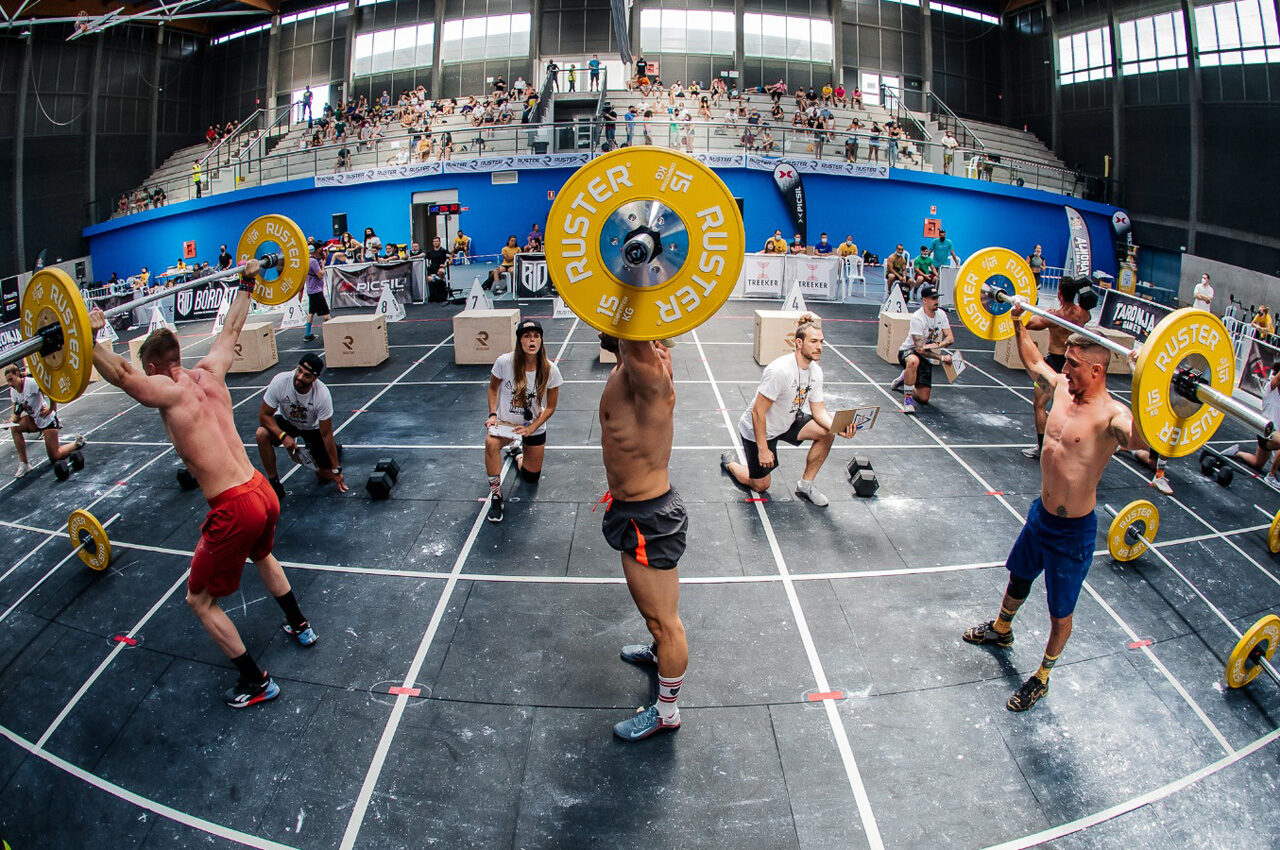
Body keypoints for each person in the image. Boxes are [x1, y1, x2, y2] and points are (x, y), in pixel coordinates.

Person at [88, 261, 317, 709]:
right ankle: (299, 624)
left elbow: (120, 375)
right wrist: (247, 281)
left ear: (154, 365)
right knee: (262, 553)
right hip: (261, 490)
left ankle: (256, 682)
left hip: (233, 505)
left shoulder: (168, 391)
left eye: (148, 369)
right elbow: (232, 328)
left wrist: (95, 334)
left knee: (199, 601)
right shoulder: (211, 373)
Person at [964, 307, 1145, 712]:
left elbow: (1142, 440)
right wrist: (1013, 322)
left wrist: (1148, 380)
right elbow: (1032, 360)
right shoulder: (1063, 387)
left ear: (1098, 372)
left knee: (1060, 611)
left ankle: (1043, 675)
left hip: (1072, 533)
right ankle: (1001, 628)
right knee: (1019, 574)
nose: (1066, 369)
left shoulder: (1113, 416)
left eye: (1075, 365)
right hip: (1039, 516)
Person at [598, 332, 687, 741]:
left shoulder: (648, 370)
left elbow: (632, 321)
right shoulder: (625, 365)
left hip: (648, 521)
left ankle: (667, 711)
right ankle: (656, 652)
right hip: (630, 509)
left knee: (665, 622)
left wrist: (633, 272)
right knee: (655, 620)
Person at [721, 315, 853, 504]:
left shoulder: (816, 371)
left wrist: (837, 428)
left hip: (788, 420)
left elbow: (819, 411)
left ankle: (805, 486)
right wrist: (763, 449)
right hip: (759, 429)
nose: (819, 347)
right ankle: (731, 464)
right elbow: (757, 412)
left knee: (826, 433)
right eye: (814, 341)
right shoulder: (780, 370)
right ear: (799, 343)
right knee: (760, 485)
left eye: (821, 342)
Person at [484, 320, 563, 523]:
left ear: (541, 340)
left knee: (530, 477)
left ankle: (517, 454)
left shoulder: (550, 369)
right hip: (506, 425)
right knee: (491, 443)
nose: (532, 340)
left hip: (532, 427)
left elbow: (551, 407)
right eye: (527, 336)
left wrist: (532, 428)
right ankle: (496, 495)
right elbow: (493, 388)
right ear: (520, 340)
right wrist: (492, 415)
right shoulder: (504, 362)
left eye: (536, 336)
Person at [1021, 278, 1093, 460]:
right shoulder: (1084, 315)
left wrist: (1019, 307)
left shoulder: (1053, 316)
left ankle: (1041, 447)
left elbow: (1027, 324)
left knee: (1040, 405)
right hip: (1074, 366)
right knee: (1072, 407)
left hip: (1053, 363)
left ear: (1059, 293)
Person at [255, 354, 345, 500]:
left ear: (315, 379)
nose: (300, 377)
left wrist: (336, 468)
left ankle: (334, 449)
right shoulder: (280, 381)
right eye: (299, 371)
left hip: (312, 428)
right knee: (261, 434)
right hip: (287, 422)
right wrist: (283, 436)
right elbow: (264, 415)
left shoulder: (322, 395)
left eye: (307, 375)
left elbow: (326, 434)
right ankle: (275, 483)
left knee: (323, 477)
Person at [5, 365, 85, 478]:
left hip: (47, 420)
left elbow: (51, 392)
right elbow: (16, 414)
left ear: (17, 374)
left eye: (11, 380)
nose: (9, 384)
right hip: (34, 420)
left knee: (54, 457)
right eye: (7, 381)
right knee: (15, 428)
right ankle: (24, 464)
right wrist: (8, 423)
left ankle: (77, 443)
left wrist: (51, 409)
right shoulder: (13, 391)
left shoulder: (30, 383)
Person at [890, 284, 954, 414]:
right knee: (913, 361)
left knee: (924, 398)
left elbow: (950, 338)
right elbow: (919, 349)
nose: (936, 301)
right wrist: (941, 357)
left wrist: (936, 345)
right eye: (933, 298)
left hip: (926, 353)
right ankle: (907, 400)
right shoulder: (917, 318)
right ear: (925, 300)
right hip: (908, 351)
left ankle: (905, 378)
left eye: (937, 298)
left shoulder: (941, 315)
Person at [1221, 361, 1280, 487]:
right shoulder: (1270, 388)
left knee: (1257, 463)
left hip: (1273, 436)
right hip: (1266, 431)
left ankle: (1236, 452)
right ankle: (1271, 476)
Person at [302, 243, 330, 342]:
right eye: (320, 250)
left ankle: (307, 333)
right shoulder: (313, 262)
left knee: (311, 312)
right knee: (326, 314)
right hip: (317, 292)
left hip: (311, 290)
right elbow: (320, 275)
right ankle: (331, 333)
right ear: (316, 250)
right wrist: (323, 265)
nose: (321, 252)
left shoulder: (306, 260)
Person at [425, 236, 451, 302]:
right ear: (433, 243)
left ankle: (442, 286)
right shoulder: (430, 252)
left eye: (437, 241)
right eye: (434, 242)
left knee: (441, 272)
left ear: (439, 242)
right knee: (429, 279)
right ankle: (432, 296)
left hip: (440, 268)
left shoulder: (444, 251)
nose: (436, 243)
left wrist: (445, 265)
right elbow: (425, 259)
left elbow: (451, 259)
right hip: (432, 269)